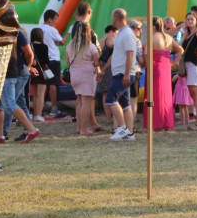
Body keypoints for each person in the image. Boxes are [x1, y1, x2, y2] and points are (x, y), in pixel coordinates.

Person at [0, 3, 40, 144]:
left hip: (9, 72)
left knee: (10, 104)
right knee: (1, 105)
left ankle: (31, 129)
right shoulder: (9, 31)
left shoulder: (10, 32)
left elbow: (28, 53)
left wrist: (27, 67)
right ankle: (0, 134)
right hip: (8, 72)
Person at [141, 17, 183, 131]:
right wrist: (174, 62)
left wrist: (146, 64)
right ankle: (166, 123)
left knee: (155, 96)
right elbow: (180, 50)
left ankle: (156, 123)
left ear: (153, 27)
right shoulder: (168, 37)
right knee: (165, 96)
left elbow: (146, 56)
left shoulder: (151, 38)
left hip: (155, 68)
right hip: (166, 68)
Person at [105, 8, 138, 142]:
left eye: (113, 17)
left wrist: (126, 74)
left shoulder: (127, 34)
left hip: (123, 73)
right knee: (125, 105)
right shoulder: (120, 34)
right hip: (119, 72)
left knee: (110, 99)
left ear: (116, 18)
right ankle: (129, 133)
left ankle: (122, 128)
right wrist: (104, 70)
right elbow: (115, 55)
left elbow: (130, 55)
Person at [65, 22, 100, 136]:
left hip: (74, 75)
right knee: (86, 103)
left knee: (79, 101)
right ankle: (84, 129)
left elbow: (67, 61)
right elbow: (96, 62)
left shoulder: (70, 45)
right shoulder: (90, 46)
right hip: (87, 75)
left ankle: (79, 128)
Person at [37, 9, 64, 118]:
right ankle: (54, 108)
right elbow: (61, 42)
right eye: (55, 19)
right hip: (53, 60)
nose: (56, 22)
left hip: (43, 62)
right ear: (49, 19)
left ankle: (40, 109)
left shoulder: (38, 29)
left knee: (45, 84)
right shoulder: (52, 30)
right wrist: (69, 34)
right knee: (53, 84)